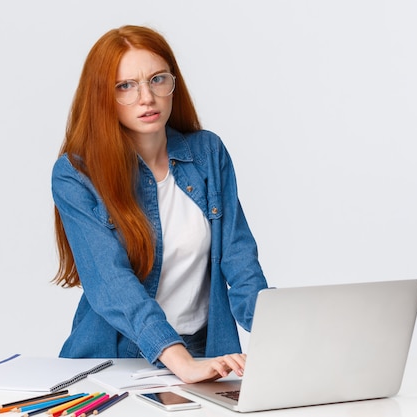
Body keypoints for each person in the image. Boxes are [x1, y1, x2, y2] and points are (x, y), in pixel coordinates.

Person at [51, 25, 268, 384]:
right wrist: (180, 361)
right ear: (102, 96)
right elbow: (111, 283)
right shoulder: (76, 174)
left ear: (173, 84)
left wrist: (286, 337)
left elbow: (240, 261)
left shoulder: (207, 153)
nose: (146, 97)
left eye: (157, 79)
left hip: (205, 353)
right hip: (117, 360)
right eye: (125, 86)